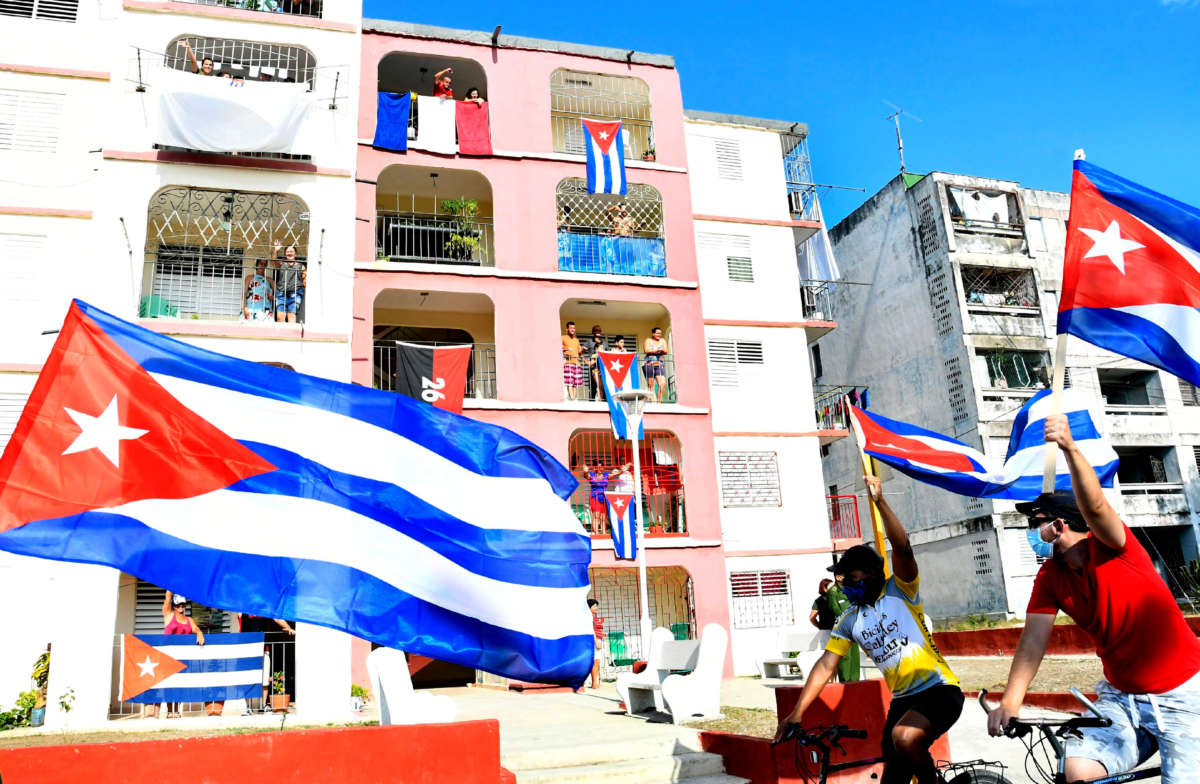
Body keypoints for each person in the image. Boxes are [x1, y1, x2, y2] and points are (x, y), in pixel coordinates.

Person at [985, 414, 1200, 783]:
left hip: (1181, 695)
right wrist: (1010, 701)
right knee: (1077, 771)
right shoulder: (1050, 576)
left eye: (1035, 521)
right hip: (1122, 699)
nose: (1030, 532)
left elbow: (1097, 508)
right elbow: (1033, 641)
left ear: (1059, 525)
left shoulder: (1116, 547)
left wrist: (1069, 448)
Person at [775, 475, 962, 784]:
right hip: (903, 700)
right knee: (892, 778)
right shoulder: (849, 619)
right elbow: (825, 665)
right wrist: (796, 713)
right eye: (842, 578)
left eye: (850, 576)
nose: (844, 583)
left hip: (939, 691)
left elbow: (902, 549)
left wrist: (880, 501)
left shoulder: (900, 590)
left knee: (904, 737)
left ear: (874, 572)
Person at [238, 614, 296, 714]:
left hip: (263, 649)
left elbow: (277, 618)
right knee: (247, 678)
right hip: (247, 648)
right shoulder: (244, 609)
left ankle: (263, 705)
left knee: (264, 678)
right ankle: (248, 707)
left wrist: (288, 627)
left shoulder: (264, 610)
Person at [162, 591, 205, 719]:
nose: (180, 607)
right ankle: (170, 711)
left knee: (180, 683)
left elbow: (196, 628)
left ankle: (178, 709)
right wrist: (172, 580)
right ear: (174, 606)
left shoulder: (189, 620)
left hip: (183, 657)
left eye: (183, 604)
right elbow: (168, 597)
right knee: (169, 683)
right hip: (169, 656)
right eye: (178, 604)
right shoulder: (168, 615)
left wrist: (199, 633)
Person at [827, 574, 860, 683]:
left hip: (854, 627)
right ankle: (845, 682)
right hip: (842, 629)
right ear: (838, 577)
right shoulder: (833, 591)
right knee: (845, 657)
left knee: (855, 656)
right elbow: (835, 609)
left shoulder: (850, 588)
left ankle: (855, 681)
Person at [582, 460, 627, 534]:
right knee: (596, 516)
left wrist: (622, 471)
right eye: (598, 467)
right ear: (595, 467)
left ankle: (604, 533)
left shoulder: (606, 475)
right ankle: (596, 533)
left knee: (603, 517)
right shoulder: (592, 475)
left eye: (601, 467)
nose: (600, 469)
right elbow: (586, 476)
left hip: (604, 497)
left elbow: (615, 474)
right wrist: (586, 471)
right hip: (595, 497)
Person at [270, 243, 305, 324]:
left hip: (295, 294)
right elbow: (273, 262)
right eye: (288, 251)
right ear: (285, 254)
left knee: (291, 316)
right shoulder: (282, 264)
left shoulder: (301, 266)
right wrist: (276, 250)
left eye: (291, 251)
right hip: (281, 294)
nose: (289, 253)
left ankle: (291, 336)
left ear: (295, 254)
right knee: (280, 318)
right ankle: (281, 336)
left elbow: (305, 278)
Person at [809, 578, 837, 649]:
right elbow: (812, 617)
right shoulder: (819, 601)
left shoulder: (819, 601)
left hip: (830, 631)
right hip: (831, 631)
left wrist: (821, 627)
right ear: (824, 588)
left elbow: (812, 618)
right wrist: (820, 627)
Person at [642, 327, 668, 403]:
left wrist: (657, 351)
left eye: (660, 333)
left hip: (659, 364)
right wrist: (656, 350)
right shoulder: (648, 340)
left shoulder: (662, 340)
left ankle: (659, 403)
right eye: (657, 333)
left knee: (662, 384)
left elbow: (666, 350)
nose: (659, 335)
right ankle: (653, 403)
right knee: (651, 384)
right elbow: (646, 350)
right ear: (653, 334)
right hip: (649, 363)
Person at [562, 321, 583, 401]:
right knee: (569, 382)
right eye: (571, 328)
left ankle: (574, 399)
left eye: (574, 328)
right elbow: (558, 347)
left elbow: (580, 352)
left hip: (577, 363)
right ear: (567, 329)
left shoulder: (576, 340)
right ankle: (571, 398)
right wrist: (567, 349)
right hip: (568, 362)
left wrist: (583, 350)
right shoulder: (563, 337)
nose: (573, 330)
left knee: (576, 383)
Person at [587, 598, 603, 690]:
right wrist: (596, 641)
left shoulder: (592, 616)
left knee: (597, 662)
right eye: (595, 606)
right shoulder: (589, 616)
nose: (596, 608)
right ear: (589, 607)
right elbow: (591, 630)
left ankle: (595, 682)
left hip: (598, 639)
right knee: (595, 662)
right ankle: (594, 683)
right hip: (594, 641)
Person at [587, 325, 606, 402]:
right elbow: (590, 363)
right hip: (595, 369)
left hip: (602, 369)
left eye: (599, 330)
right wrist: (584, 358)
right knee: (596, 387)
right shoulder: (589, 342)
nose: (598, 331)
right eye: (596, 330)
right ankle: (597, 401)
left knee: (602, 386)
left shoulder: (605, 343)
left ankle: (602, 401)